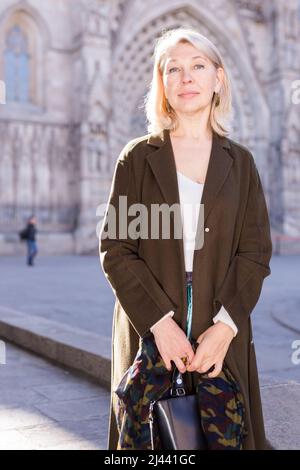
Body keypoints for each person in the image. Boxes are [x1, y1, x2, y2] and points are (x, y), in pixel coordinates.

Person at [99, 28, 272, 450]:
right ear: (162, 85)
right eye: (172, 69)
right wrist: (161, 324)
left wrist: (225, 327)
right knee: (149, 444)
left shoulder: (241, 162)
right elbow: (117, 249)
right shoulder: (138, 158)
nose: (185, 77)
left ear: (218, 79)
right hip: (150, 335)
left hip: (220, 340)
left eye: (197, 66)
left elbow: (255, 252)